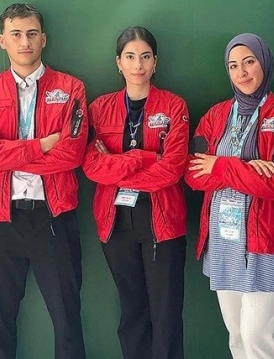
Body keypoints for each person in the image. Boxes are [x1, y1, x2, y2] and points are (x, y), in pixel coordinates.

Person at [0, 3, 88, 359]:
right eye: (16, 34)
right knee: (0, 317)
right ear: (2, 40)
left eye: (32, 34)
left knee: (67, 317)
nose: (25, 42)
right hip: (0, 220)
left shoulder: (71, 88)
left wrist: (7, 150)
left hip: (54, 217)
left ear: (43, 39)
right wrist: (42, 145)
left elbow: (71, 155)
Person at [185, 33, 274, 359]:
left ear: (264, 63)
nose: (242, 72)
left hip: (269, 243)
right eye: (233, 66)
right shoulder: (215, 116)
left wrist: (222, 165)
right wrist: (249, 168)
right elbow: (193, 174)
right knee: (237, 338)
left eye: (249, 62)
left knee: (257, 339)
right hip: (224, 242)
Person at [82, 26, 189, 359]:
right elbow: (92, 166)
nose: (138, 65)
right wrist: (145, 158)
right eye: (130, 57)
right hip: (115, 222)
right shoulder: (99, 108)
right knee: (132, 311)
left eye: (145, 57)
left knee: (165, 313)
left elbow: (172, 169)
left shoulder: (174, 106)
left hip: (162, 220)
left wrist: (116, 166)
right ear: (119, 63)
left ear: (155, 61)